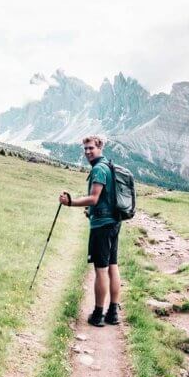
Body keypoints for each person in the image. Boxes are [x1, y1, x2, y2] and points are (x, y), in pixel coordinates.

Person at [58, 135, 121, 327]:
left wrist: (71, 202)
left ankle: (98, 314)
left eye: (91, 148)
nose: (87, 152)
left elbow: (94, 198)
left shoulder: (99, 170)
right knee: (112, 266)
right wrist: (91, 211)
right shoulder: (108, 166)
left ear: (100, 147)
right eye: (85, 149)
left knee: (101, 269)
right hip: (114, 222)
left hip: (102, 226)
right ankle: (113, 312)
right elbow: (103, 199)